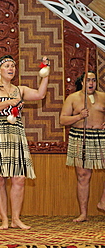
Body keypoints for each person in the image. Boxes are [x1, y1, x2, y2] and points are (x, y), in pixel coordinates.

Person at [0, 55, 50, 230]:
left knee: (19, 178)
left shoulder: (19, 89)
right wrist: (9, 102)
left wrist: (45, 74)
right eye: (7, 66)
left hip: (15, 133)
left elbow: (40, 94)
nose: (11, 68)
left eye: (13, 66)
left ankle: (16, 218)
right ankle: (4, 220)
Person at [59, 71, 105, 222]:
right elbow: (63, 120)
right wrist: (79, 116)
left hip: (101, 137)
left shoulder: (103, 96)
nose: (91, 83)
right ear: (82, 82)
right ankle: (83, 214)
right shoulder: (73, 98)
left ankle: (103, 201)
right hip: (80, 137)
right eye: (88, 80)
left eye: (93, 80)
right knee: (83, 176)